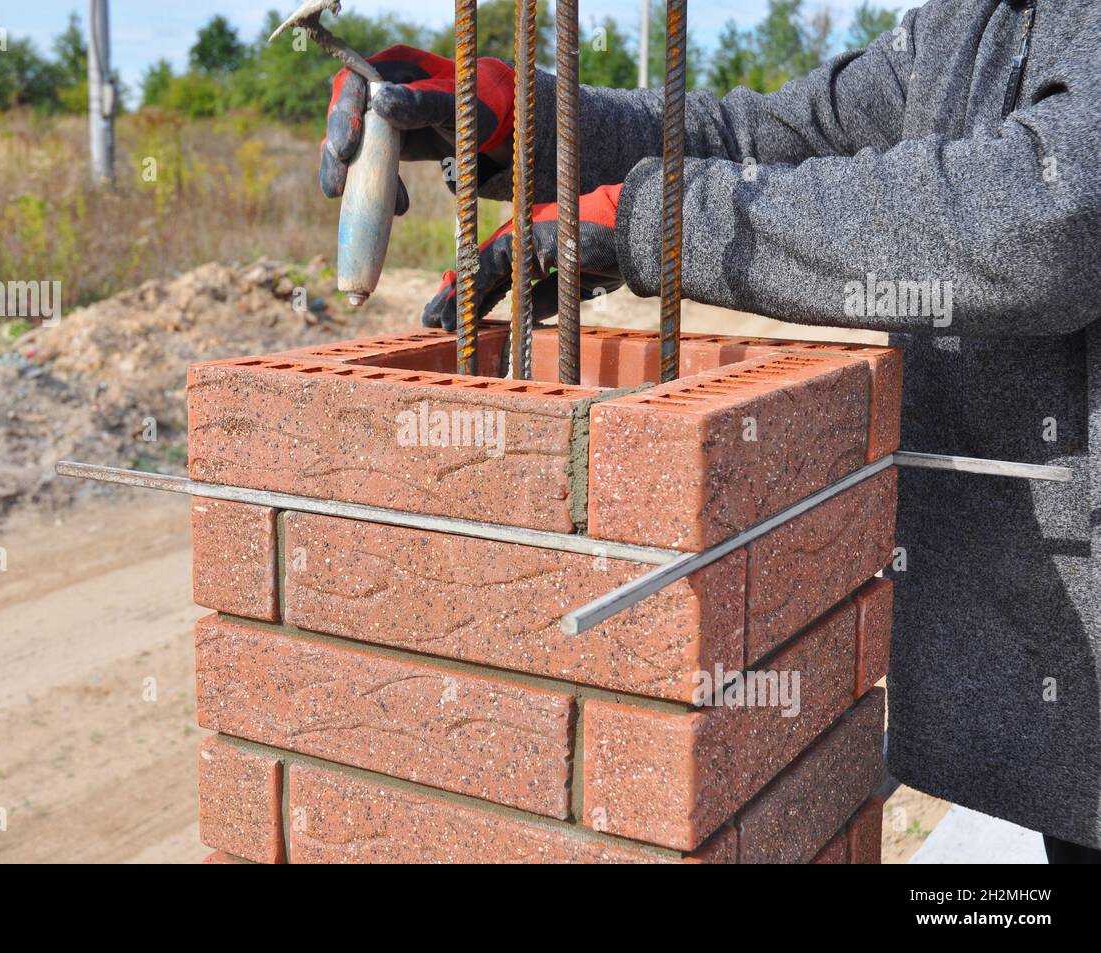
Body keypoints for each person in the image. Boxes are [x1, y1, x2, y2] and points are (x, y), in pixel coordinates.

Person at [320, 0, 1101, 862]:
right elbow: (763, 137)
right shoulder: (971, 24)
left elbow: (1051, 213)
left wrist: (661, 221)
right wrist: (523, 120)